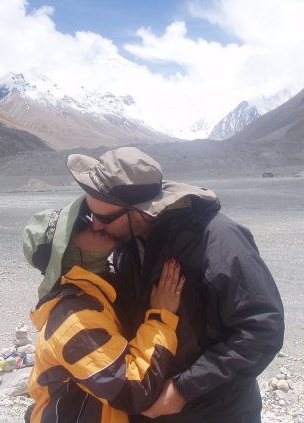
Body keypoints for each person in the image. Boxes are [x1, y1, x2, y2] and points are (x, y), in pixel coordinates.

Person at [63, 147, 285, 423]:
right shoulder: (129, 245)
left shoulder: (217, 239)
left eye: (105, 218)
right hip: (150, 408)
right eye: (90, 214)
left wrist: (185, 388)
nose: (95, 225)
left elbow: (262, 329)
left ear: (142, 213)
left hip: (213, 413)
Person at [27, 224, 185, 423]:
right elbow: (133, 391)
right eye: (79, 228)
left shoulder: (99, 290)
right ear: (64, 251)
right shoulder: (74, 317)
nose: (95, 225)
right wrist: (160, 318)